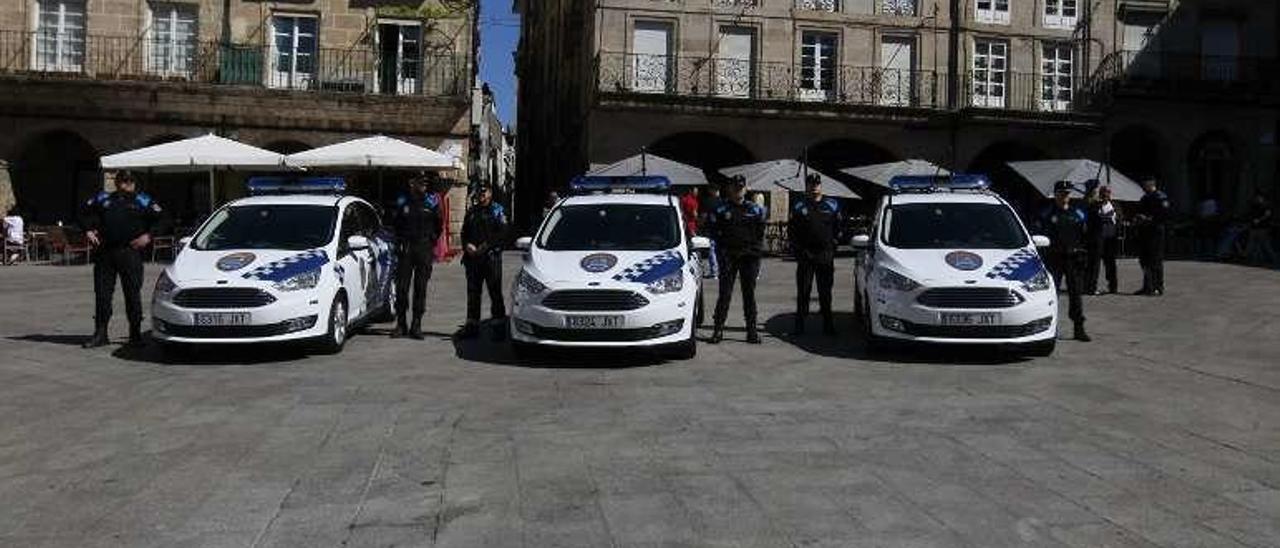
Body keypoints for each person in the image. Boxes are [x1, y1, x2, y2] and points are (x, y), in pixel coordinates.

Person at [79, 171, 164, 348]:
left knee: (132, 293)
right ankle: (101, 333)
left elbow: (163, 219)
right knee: (102, 294)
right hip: (105, 253)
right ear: (116, 182)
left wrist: (149, 236)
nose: (123, 185)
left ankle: (135, 334)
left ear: (133, 183)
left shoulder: (142, 200)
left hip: (130, 252)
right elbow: (82, 212)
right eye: (120, 181)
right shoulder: (103, 198)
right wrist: (87, 229)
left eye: (127, 181)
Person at [708, 176, 767, 344]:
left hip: (748, 258)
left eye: (741, 187)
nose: (738, 190)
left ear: (746, 189)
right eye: (735, 187)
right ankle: (718, 330)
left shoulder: (755, 210)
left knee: (749, 295)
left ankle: (752, 331)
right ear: (729, 189)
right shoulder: (721, 209)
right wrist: (721, 252)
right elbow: (713, 232)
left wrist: (755, 254)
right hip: (728, 257)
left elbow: (759, 234)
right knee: (724, 295)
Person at [390, 175, 445, 340]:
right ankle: (401, 324)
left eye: (425, 184)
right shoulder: (402, 200)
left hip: (423, 248)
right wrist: (399, 241)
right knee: (402, 288)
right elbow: (395, 223)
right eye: (420, 183)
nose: (424, 186)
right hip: (406, 248)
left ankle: (416, 325)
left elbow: (439, 224)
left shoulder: (432, 201)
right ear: (411, 183)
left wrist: (431, 240)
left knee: (421, 288)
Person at [788, 174, 839, 336]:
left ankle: (828, 325)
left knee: (825, 292)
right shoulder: (798, 206)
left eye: (816, 184)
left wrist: (833, 247)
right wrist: (798, 251)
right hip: (806, 255)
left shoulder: (832, 204)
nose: (814, 187)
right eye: (811, 184)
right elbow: (792, 231)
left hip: (824, 255)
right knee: (803, 292)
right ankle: (799, 325)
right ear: (807, 186)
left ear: (821, 186)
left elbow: (838, 228)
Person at [1039, 181, 1090, 342]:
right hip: (1054, 258)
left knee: (1076, 294)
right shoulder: (1047, 214)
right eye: (1061, 193)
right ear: (1055, 194)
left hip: (1073, 259)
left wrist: (1083, 254)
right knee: (1051, 295)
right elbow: (1040, 236)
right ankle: (1050, 328)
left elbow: (1085, 237)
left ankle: (1079, 327)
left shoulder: (1078, 214)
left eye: (1067, 193)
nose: (1064, 196)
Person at [457, 184, 508, 340]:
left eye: (484, 192)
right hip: (473, 259)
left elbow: (504, 232)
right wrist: (467, 245)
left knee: (495, 292)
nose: (481, 195)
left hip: (491, 258)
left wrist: (487, 245)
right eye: (479, 193)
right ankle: (472, 326)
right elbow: (464, 232)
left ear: (490, 193)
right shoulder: (472, 211)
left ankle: (499, 328)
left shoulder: (497, 210)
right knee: (473, 293)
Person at [1134, 177, 1170, 295]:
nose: (1143, 187)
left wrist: (1149, 218)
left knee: (1155, 260)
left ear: (1151, 184)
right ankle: (1147, 286)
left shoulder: (1160, 196)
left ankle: (1158, 287)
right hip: (1145, 232)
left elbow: (1164, 214)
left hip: (1156, 232)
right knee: (1145, 260)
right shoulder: (1145, 197)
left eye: (1145, 185)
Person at [1093, 186, 1121, 294]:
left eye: (1108, 193)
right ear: (1100, 194)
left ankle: (1113, 287)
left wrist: (1113, 219)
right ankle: (1093, 285)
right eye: (1103, 193)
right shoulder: (1095, 206)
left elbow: (1119, 218)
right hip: (1099, 239)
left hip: (1111, 239)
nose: (1105, 195)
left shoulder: (1115, 206)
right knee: (1096, 264)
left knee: (1111, 264)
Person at [1244, 193, 1277, 266]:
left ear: (1262, 198)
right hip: (1255, 228)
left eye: (1258, 197)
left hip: (1263, 228)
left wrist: (1259, 220)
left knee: (1264, 245)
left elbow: (1267, 215)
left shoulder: (1267, 206)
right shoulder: (1255, 206)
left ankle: (1274, 260)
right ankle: (1253, 261)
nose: (1257, 199)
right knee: (1254, 245)